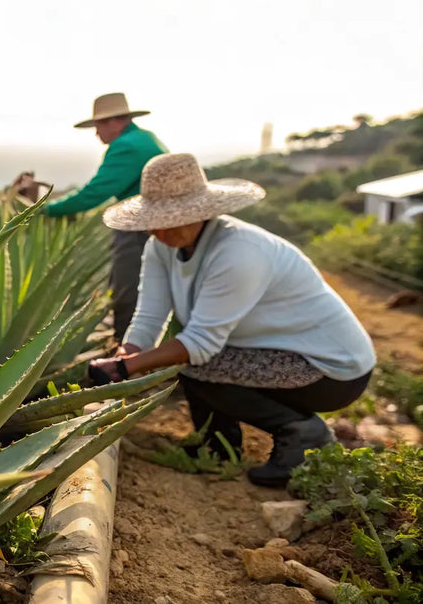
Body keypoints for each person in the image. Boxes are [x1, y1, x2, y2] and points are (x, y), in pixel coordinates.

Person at [86, 153, 376, 488]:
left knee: (196, 365)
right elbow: (150, 313)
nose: (158, 229)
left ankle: (302, 433)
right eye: (154, 219)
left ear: (200, 213)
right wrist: (128, 351)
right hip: (274, 352)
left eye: (171, 219)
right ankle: (218, 446)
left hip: (332, 369)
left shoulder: (239, 252)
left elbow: (200, 344)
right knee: (192, 364)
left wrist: (124, 369)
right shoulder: (160, 247)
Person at [14, 93, 168, 340]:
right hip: (157, 224)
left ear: (114, 122)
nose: (97, 134)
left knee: (128, 289)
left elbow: (94, 193)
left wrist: (46, 209)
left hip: (141, 228)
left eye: (98, 126)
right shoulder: (146, 138)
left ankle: (127, 348)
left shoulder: (126, 146)